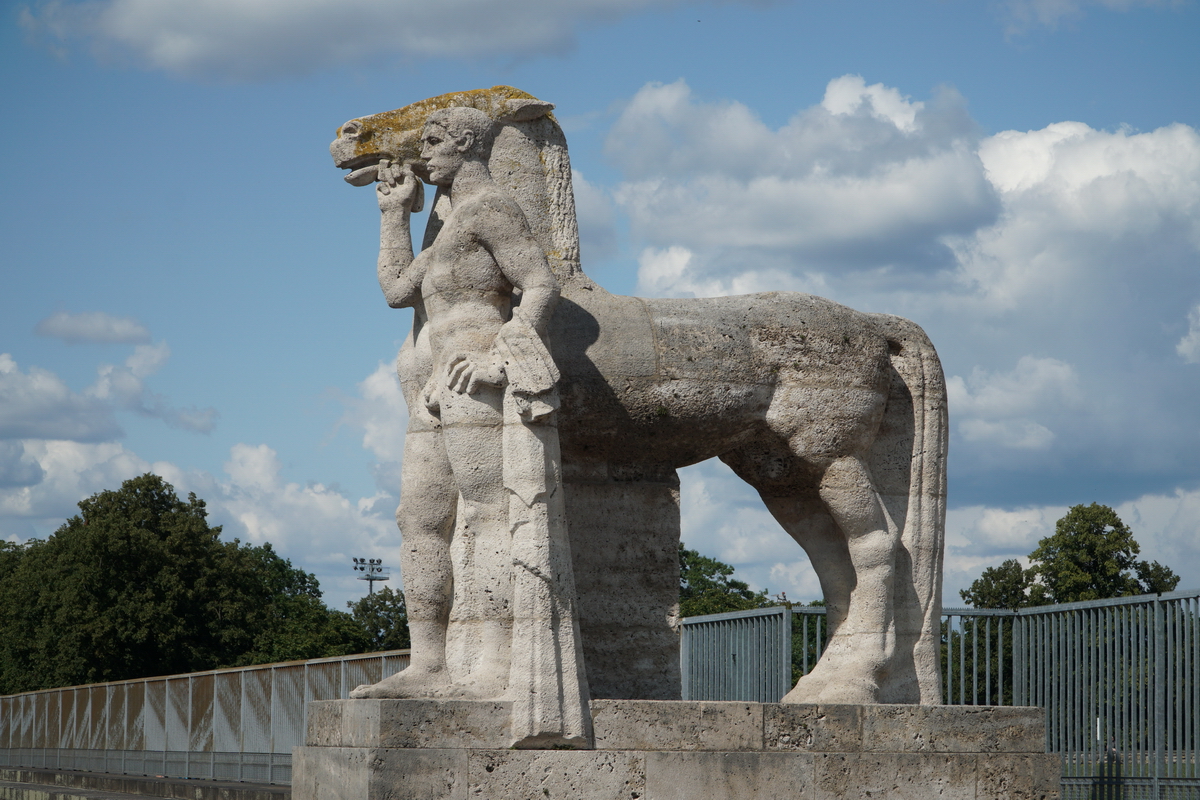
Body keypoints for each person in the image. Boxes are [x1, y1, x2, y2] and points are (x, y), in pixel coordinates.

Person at [350, 108, 588, 743]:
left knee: (487, 512)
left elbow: (540, 285)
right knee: (420, 518)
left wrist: (499, 355)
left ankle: (492, 660)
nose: (423, 155)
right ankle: (428, 662)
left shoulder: (492, 209)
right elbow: (398, 289)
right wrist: (392, 214)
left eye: (432, 143)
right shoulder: (448, 228)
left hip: (474, 379)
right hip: (434, 387)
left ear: (465, 144)